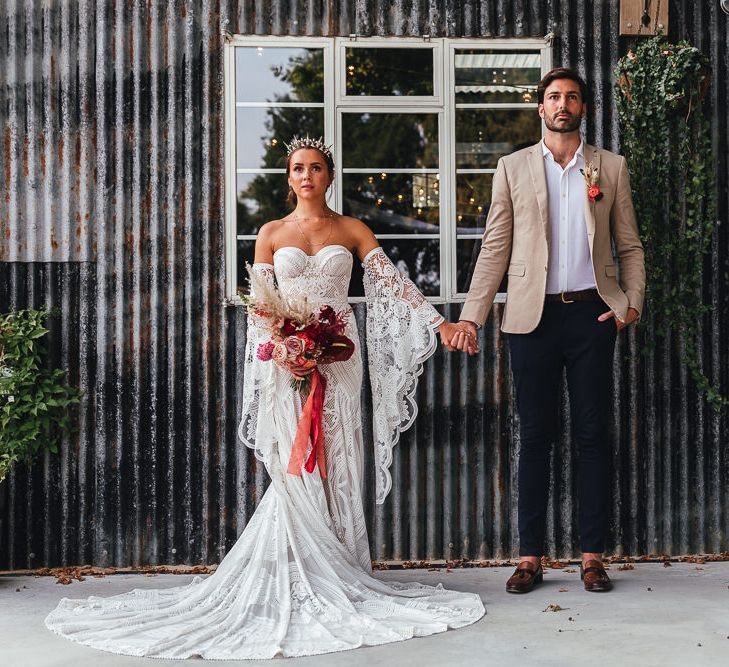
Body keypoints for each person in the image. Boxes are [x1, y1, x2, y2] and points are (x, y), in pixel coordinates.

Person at [45, 136, 484, 659]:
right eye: (297, 168)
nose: (306, 176)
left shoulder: (353, 229)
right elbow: (261, 308)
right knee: (297, 463)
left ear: (329, 175)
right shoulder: (272, 234)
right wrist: (284, 353)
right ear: (288, 176)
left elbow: (394, 286)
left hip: (341, 357)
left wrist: (440, 324)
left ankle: (343, 566)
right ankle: (299, 564)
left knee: (339, 458)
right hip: (288, 360)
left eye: (316, 168)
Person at [445, 68, 646, 594]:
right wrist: (472, 315)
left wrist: (631, 308)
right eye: (554, 97)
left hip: (591, 315)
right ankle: (530, 557)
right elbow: (495, 248)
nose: (563, 105)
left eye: (572, 97)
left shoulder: (611, 168)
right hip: (529, 320)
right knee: (535, 438)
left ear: (583, 108)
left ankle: (592, 557)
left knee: (591, 436)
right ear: (541, 108)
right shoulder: (511, 168)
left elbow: (630, 247)